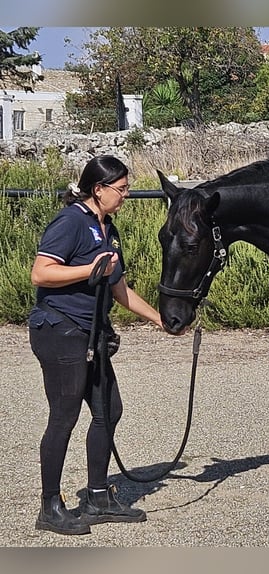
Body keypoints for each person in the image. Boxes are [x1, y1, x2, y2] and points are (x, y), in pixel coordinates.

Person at [28, 155, 163, 536]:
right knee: (64, 416)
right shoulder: (70, 221)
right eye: (121, 190)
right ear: (98, 189)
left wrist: (159, 320)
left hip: (93, 333)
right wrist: (89, 270)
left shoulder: (107, 227)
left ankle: (99, 496)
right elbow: (41, 272)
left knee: (109, 409)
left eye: (127, 189)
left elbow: (117, 286)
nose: (125, 196)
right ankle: (50, 506)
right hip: (61, 330)